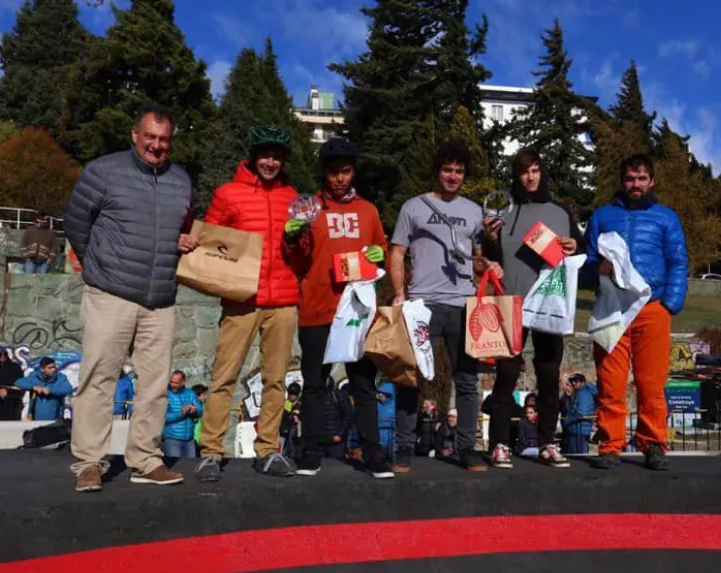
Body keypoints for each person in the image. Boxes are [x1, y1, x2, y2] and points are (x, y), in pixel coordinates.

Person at [64, 105, 197, 492]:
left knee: (155, 385)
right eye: (150, 137)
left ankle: (146, 460)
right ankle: (89, 463)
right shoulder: (102, 171)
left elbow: (184, 228)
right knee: (98, 379)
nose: (157, 145)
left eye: (164, 139)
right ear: (134, 134)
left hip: (161, 298)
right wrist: (97, 267)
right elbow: (76, 222)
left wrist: (184, 241)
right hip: (111, 294)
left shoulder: (181, 180)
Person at [196, 125, 303, 481]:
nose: (270, 161)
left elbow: (304, 256)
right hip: (241, 298)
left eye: (277, 156)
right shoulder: (228, 194)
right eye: (265, 154)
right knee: (223, 376)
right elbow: (211, 242)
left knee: (275, 381)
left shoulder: (294, 198)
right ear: (254, 156)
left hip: (284, 299)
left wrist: (297, 240)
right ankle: (211, 451)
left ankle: (268, 450)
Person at [389, 139, 499, 473]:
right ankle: (404, 448)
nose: (453, 176)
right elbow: (396, 252)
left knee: (467, 380)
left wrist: (489, 261)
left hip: (462, 305)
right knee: (412, 377)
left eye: (459, 171)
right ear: (437, 171)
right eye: (448, 170)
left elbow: (477, 262)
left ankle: (467, 449)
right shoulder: (414, 207)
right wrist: (399, 293)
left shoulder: (474, 211)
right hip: (423, 304)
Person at [290, 136, 393, 478]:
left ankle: (372, 451)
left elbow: (381, 252)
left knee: (363, 384)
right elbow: (298, 259)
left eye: (345, 171)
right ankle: (311, 450)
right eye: (333, 172)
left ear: (353, 172)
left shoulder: (368, 210)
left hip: (356, 311)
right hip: (317, 306)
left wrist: (380, 256)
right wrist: (292, 237)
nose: (339, 178)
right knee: (315, 384)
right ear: (324, 172)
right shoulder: (309, 208)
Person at [585, 154, 688, 471]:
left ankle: (653, 444)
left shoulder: (666, 218)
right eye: (630, 178)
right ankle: (610, 445)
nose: (636, 184)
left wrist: (671, 303)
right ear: (622, 180)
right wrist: (596, 269)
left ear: (652, 181)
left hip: (652, 308)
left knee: (651, 383)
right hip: (612, 308)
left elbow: (678, 262)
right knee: (610, 382)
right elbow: (587, 261)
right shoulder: (602, 216)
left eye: (642, 178)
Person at [482, 147, 583, 469]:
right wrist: (489, 241)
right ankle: (499, 444)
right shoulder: (504, 211)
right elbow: (488, 259)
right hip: (512, 302)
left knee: (549, 375)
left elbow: (582, 254)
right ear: (517, 175)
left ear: (542, 173)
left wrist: (574, 245)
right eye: (525, 171)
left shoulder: (560, 210)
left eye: (536, 170)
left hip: (548, 305)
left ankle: (546, 443)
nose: (530, 176)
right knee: (507, 374)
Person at [15, 357, 74, 421]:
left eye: (54, 367)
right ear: (42, 369)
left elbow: (68, 389)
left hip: (55, 419)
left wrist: (50, 390)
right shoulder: (34, 376)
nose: (53, 369)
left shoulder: (60, 377)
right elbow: (18, 382)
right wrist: (33, 387)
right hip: (36, 419)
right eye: (50, 368)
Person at [163, 371, 203, 459]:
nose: (173, 385)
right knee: (174, 466)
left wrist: (195, 411)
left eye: (176, 383)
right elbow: (162, 418)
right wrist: (181, 414)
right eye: (171, 382)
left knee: (189, 468)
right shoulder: (165, 395)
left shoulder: (191, 393)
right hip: (172, 439)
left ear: (183, 382)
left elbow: (200, 410)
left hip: (189, 440)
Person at [0, 348, 24, 421]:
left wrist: (8, 391)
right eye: (0, 354)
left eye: (4, 354)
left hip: (13, 401)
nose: (2, 356)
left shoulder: (15, 367)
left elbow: (20, 383)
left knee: (14, 426)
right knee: (2, 425)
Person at [561, 374, 597, 454]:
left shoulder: (583, 393)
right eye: (572, 381)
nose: (573, 383)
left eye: (576, 381)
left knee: (577, 458)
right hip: (577, 430)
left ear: (583, 382)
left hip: (578, 430)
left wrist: (567, 421)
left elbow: (581, 412)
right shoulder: (578, 393)